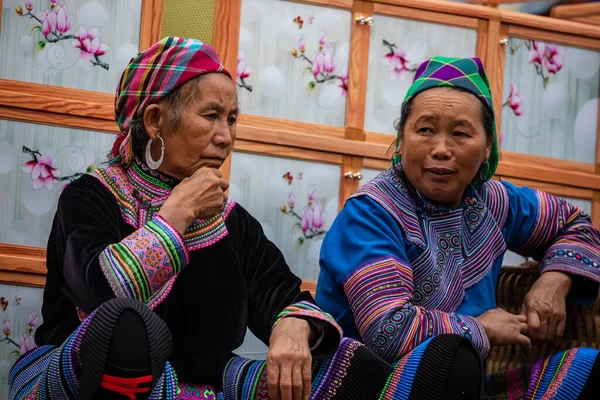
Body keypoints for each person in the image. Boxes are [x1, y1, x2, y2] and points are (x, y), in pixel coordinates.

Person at [8, 40, 483, 400]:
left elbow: (286, 295)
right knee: (130, 329)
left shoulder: (232, 222)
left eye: (232, 119)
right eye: (211, 116)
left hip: (208, 387)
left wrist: (292, 328)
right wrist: (177, 214)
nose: (226, 136)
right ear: (155, 121)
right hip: (79, 373)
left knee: (343, 363)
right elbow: (102, 294)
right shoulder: (90, 197)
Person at [316, 56, 600, 399]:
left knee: (588, 366)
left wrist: (554, 281)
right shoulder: (371, 213)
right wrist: (482, 328)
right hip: (372, 386)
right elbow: (388, 331)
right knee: (451, 356)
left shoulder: (494, 202)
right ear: (401, 140)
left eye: (461, 133)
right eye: (425, 130)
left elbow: (575, 224)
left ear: (487, 148)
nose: (440, 150)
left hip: (466, 387)